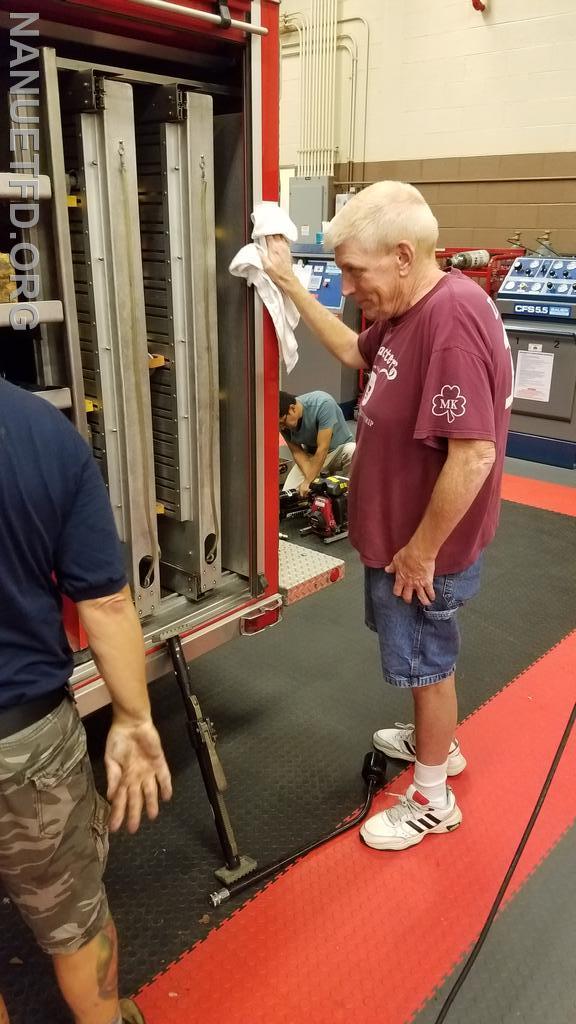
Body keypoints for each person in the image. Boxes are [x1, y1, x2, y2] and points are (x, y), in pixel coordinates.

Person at [264, 181, 513, 851]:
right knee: (426, 663)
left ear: (403, 254)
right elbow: (353, 352)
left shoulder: (451, 321)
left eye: (354, 271)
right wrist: (288, 283)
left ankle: (434, 797)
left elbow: (474, 454)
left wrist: (421, 551)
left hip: (421, 554)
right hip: (399, 540)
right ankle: (439, 744)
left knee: (426, 664)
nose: (346, 286)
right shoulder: (407, 308)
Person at [0, 377, 173, 1024]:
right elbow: (103, 602)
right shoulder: (45, 434)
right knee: (74, 918)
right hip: (26, 741)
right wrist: (132, 716)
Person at [280, 389, 356, 495]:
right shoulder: (282, 424)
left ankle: (348, 496)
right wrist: (311, 480)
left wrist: (308, 482)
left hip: (338, 451)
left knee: (353, 451)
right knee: (288, 494)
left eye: (283, 421)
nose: (282, 427)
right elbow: (297, 452)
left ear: (292, 409)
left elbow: (323, 448)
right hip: (312, 455)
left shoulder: (323, 404)